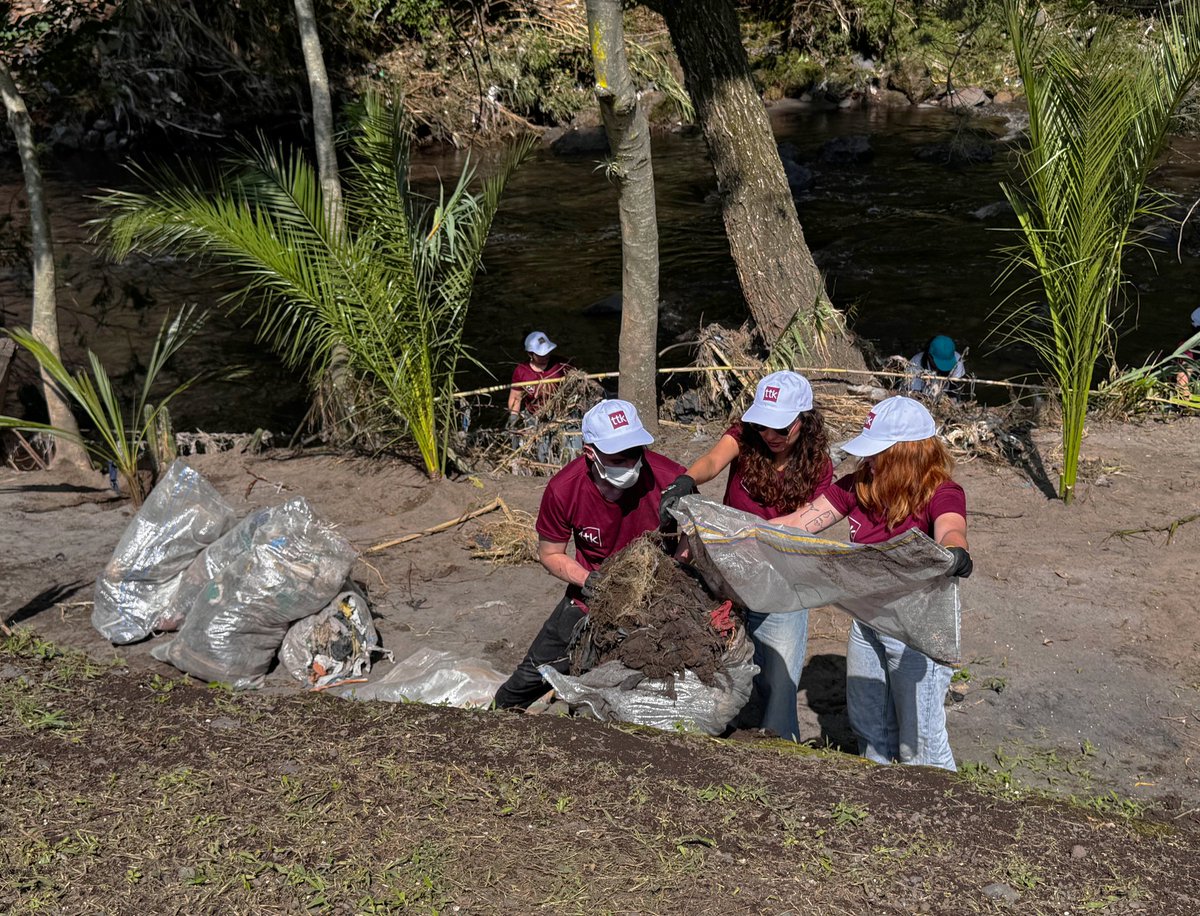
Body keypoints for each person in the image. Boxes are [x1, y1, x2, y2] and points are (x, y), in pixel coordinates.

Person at [769, 396, 972, 771]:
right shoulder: (859, 486)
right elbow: (801, 522)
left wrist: (955, 552)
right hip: (868, 621)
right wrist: (741, 532)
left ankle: (942, 812)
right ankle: (880, 807)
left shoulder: (941, 492)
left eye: (877, 453)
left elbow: (951, 529)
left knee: (920, 743)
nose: (868, 461)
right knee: (870, 728)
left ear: (906, 454)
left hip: (916, 630)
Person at [659, 370, 832, 742]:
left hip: (782, 576)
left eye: (780, 429)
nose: (769, 436)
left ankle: (779, 741)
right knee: (716, 654)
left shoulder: (820, 466)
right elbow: (712, 459)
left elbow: (807, 523)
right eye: (762, 426)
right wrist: (687, 480)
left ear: (804, 421)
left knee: (780, 675)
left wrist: (750, 534)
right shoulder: (745, 438)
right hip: (727, 570)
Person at [494, 399, 686, 709]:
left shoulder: (670, 480)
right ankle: (495, 717)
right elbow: (551, 554)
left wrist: (671, 576)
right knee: (527, 680)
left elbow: (692, 542)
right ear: (590, 453)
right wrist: (591, 582)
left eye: (635, 452)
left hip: (657, 598)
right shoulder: (564, 489)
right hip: (592, 596)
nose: (630, 463)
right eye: (618, 456)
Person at [507, 331, 569, 423]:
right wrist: (514, 415)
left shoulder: (561, 365)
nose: (546, 356)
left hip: (561, 413)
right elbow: (515, 397)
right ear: (530, 354)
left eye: (548, 352)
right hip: (534, 415)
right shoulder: (522, 371)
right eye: (541, 355)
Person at [907, 334, 966, 399]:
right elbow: (914, 393)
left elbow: (955, 388)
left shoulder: (957, 360)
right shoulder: (916, 362)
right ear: (929, 356)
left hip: (946, 398)